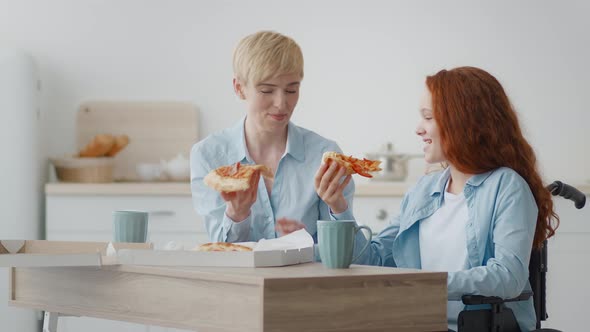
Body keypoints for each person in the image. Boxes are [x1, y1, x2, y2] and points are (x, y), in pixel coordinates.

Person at [329, 67, 558, 331]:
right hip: (420, 323)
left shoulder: (506, 186)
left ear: (462, 120)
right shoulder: (424, 189)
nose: (418, 129)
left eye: (428, 117)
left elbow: (508, 277)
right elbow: (375, 260)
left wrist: (429, 284)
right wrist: (338, 206)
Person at [190, 31, 355, 243]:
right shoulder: (209, 155)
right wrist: (237, 216)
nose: (281, 103)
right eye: (267, 91)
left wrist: (338, 209)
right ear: (239, 88)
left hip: (306, 277)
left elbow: (343, 255)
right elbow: (223, 255)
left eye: (291, 90)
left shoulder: (324, 156)